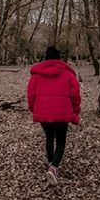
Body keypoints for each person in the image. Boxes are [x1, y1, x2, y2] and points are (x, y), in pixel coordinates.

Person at [26, 46, 81, 185]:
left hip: (44, 112)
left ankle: (51, 164)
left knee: (49, 138)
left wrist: (34, 109)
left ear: (45, 58)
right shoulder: (68, 74)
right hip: (63, 112)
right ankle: (54, 166)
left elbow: (31, 95)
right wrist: (76, 111)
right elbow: (75, 95)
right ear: (59, 58)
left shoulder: (36, 75)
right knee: (61, 141)